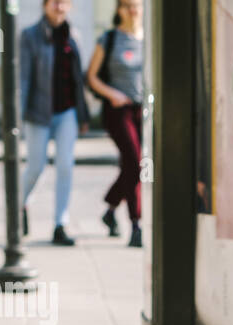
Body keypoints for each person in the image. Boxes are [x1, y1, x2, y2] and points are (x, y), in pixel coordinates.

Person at [19, 0, 90, 246]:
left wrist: (83, 115)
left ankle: (60, 223)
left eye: (64, 2)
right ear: (45, 5)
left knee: (65, 165)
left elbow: (78, 81)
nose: (59, 7)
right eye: (55, 2)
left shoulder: (74, 36)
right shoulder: (30, 36)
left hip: (66, 111)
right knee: (36, 167)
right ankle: (20, 206)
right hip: (39, 113)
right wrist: (19, 115)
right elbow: (25, 79)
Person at [86, 0, 144, 247]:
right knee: (136, 162)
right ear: (119, 10)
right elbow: (91, 77)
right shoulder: (109, 39)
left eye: (137, 6)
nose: (133, 11)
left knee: (132, 166)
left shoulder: (146, 39)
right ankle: (136, 224)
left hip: (142, 110)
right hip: (118, 110)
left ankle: (110, 210)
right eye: (128, 6)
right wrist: (113, 94)